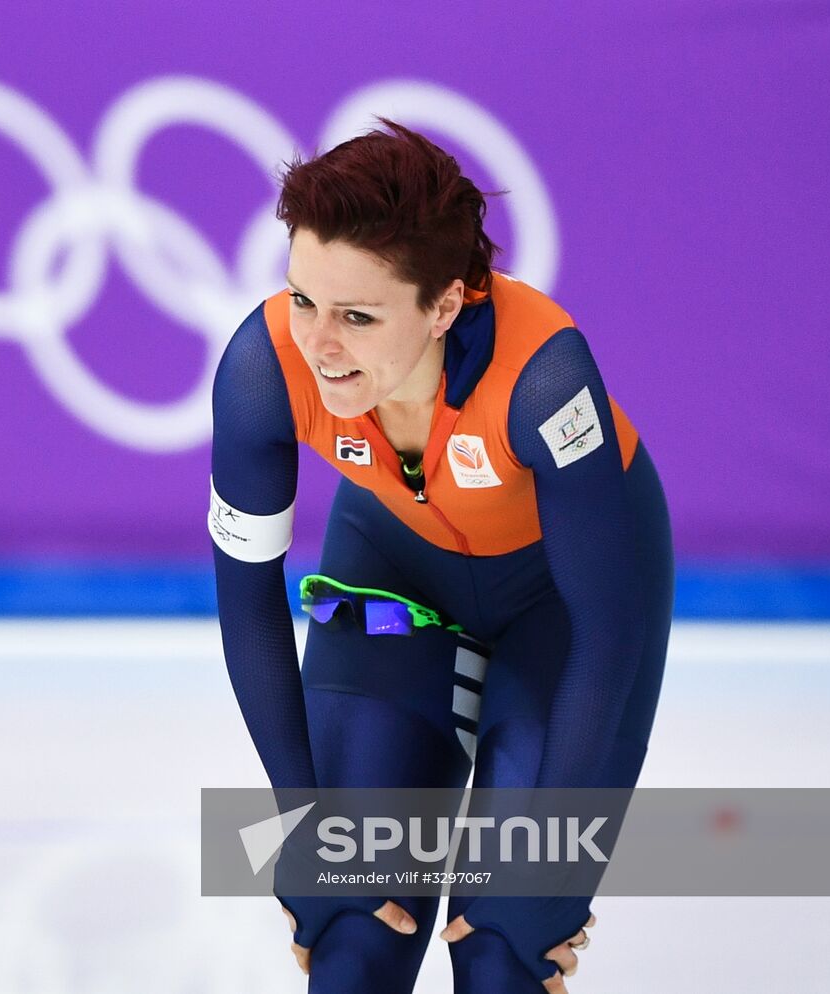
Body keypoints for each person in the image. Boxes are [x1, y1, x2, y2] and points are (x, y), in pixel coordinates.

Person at [207, 119, 672, 992]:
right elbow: (246, 596)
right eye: (303, 300)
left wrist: (545, 864)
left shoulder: (543, 380)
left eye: (357, 315)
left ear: (447, 305)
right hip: (396, 567)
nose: (318, 345)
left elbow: (604, 639)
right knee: (349, 933)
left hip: (563, 613)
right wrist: (297, 829)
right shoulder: (263, 369)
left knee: (501, 952)